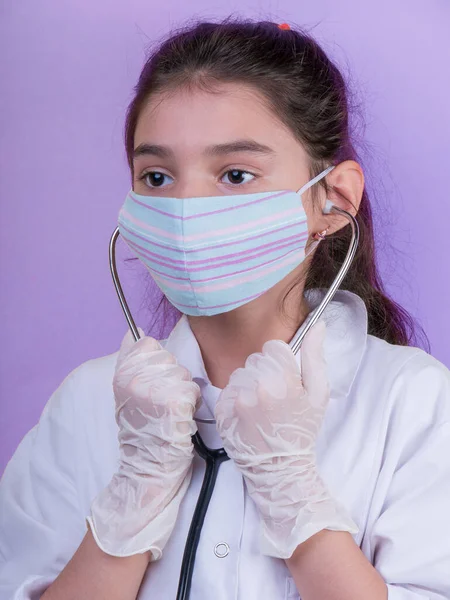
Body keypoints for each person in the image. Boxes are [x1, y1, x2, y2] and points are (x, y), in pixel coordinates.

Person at [1, 16, 449, 600]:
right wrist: (132, 498)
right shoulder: (86, 404)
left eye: (235, 174)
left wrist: (292, 490)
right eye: (157, 176)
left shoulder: (410, 403)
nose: (186, 208)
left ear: (332, 200)